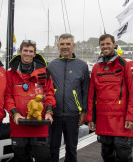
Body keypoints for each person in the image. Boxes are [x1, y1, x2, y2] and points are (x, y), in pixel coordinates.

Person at [85, 34, 133, 162]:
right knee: (107, 155)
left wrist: (132, 116)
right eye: (102, 44)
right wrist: (90, 118)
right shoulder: (96, 67)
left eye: (108, 44)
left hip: (122, 121)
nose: (105, 46)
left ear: (114, 44)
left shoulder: (127, 64)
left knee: (123, 155)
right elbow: (92, 95)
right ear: (100, 46)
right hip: (103, 120)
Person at [4, 40, 56, 162]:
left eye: (31, 51)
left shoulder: (44, 73)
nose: (28, 53)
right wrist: (15, 114)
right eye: (25, 50)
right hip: (19, 125)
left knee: (43, 157)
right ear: (20, 52)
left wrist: (49, 112)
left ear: (34, 53)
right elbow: (7, 97)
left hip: (40, 125)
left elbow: (50, 94)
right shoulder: (10, 74)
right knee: (21, 158)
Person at [47, 33, 90, 162]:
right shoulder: (51, 66)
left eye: (68, 44)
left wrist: (84, 111)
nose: (65, 47)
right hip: (55, 113)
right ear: (58, 46)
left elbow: (85, 90)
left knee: (71, 147)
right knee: (52, 147)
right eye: (62, 44)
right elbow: (46, 89)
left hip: (73, 114)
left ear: (73, 46)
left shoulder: (82, 66)